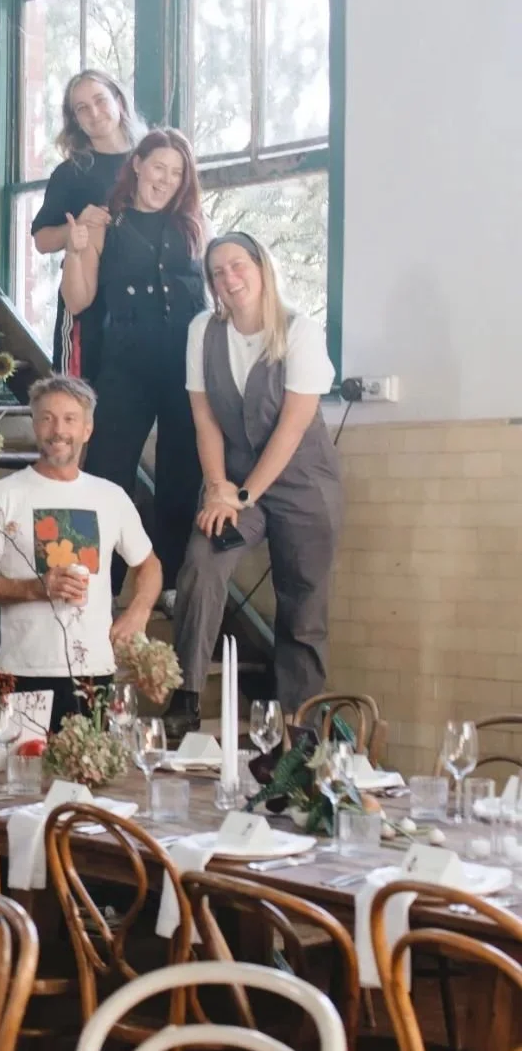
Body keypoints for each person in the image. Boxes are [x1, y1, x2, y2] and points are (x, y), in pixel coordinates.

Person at [169, 233, 341, 732]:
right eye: (217, 272)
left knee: (302, 603)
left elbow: (292, 428)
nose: (229, 278)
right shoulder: (203, 331)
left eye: (238, 265)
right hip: (234, 482)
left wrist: (243, 495)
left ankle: (299, 729)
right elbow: (205, 418)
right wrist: (218, 487)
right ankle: (186, 697)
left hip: (303, 484)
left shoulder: (300, 331)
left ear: (262, 268)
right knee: (203, 559)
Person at [0, 375, 162, 729]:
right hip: (18, 671)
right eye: (47, 418)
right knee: (18, 766)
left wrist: (139, 611)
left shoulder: (111, 497)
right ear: (35, 426)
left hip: (95, 671)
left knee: (91, 766)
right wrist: (36, 588)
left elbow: (149, 565)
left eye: (70, 419)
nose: (58, 430)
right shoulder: (1, 496)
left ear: (87, 429)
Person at [59, 127, 208, 593]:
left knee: (182, 477)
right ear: (138, 165)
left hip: (185, 371)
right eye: (159, 167)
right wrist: (75, 251)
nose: (166, 179)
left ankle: (169, 585)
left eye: (177, 173)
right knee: (106, 472)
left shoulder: (192, 229)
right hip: (125, 368)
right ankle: (95, 584)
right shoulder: (105, 224)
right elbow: (78, 300)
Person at [30, 70, 144, 383]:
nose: (94, 112)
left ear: (119, 101)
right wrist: (76, 227)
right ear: (75, 120)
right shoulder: (70, 173)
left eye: (100, 100)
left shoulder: (149, 162)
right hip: (87, 308)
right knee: (77, 401)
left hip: (141, 308)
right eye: (82, 108)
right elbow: (42, 240)